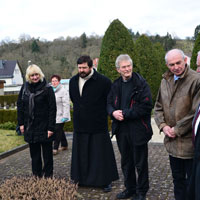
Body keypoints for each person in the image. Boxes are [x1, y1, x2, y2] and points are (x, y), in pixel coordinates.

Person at [154, 49, 200, 200]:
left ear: (185, 60)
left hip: (189, 145)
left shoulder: (196, 80)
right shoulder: (164, 81)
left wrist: (176, 129)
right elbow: (158, 107)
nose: (176, 67)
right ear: (167, 65)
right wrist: (163, 126)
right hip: (171, 144)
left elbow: (195, 112)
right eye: (171, 64)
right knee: (177, 181)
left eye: (178, 62)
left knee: (192, 183)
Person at [69, 55, 119, 192]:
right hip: (80, 124)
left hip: (98, 125)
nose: (81, 70)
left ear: (91, 67)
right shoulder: (73, 81)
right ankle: (82, 179)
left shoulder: (104, 81)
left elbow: (109, 102)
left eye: (84, 67)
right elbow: (75, 100)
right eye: (79, 68)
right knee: (82, 154)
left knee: (100, 155)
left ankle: (104, 181)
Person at [107, 54, 153, 200]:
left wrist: (125, 113)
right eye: (124, 67)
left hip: (138, 129)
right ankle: (130, 189)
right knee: (126, 162)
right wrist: (113, 112)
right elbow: (108, 104)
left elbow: (146, 106)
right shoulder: (115, 85)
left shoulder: (141, 84)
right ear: (118, 69)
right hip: (121, 130)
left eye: (129, 66)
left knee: (140, 163)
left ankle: (142, 192)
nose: (127, 69)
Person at [17, 64, 56, 178]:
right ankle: (37, 176)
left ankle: (48, 176)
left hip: (44, 126)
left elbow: (52, 109)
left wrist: (51, 127)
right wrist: (21, 123)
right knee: (35, 155)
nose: (35, 77)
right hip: (30, 127)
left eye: (36, 74)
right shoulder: (24, 88)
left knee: (47, 154)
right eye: (32, 75)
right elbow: (20, 106)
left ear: (40, 74)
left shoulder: (48, 88)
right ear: (28, 76)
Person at [51, 74, 70, 155]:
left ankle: (55, 148)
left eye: (55, 81)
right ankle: (64, 144)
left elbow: (66, 104)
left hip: (62, 115)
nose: (54, 82)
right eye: (52, 81)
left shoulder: (63, 90)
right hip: (54, 115)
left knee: (57, 131)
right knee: (60, 130)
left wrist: (65, 116)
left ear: (59, 81)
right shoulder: (51, 90)